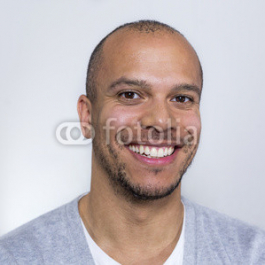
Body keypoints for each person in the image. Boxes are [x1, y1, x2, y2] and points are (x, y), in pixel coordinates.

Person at [0, 20, 264, 265]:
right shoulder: (14, 257)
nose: (161, 121)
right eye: (130, 94)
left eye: (182, 98)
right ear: (87, 115)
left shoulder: (252, 255)